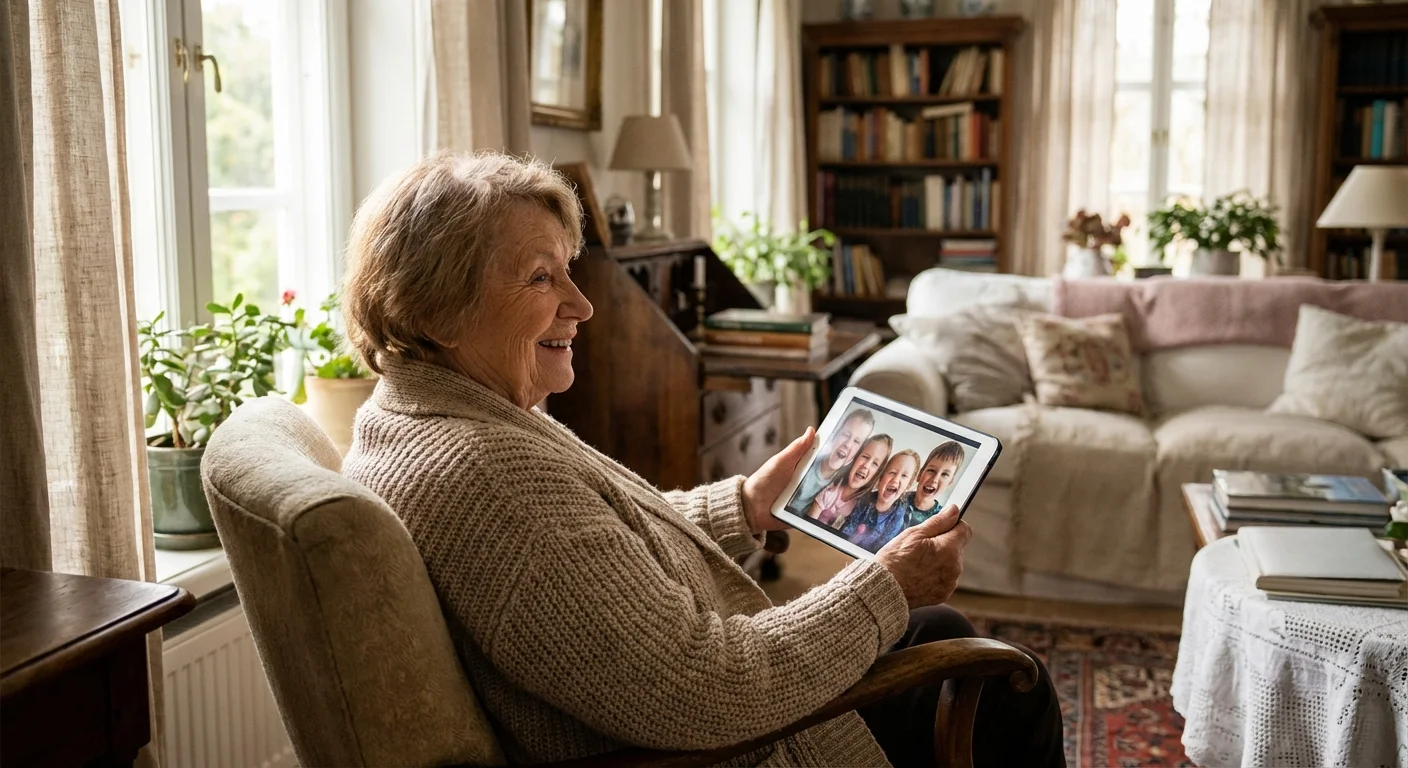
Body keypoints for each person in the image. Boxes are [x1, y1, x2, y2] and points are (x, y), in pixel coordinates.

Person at [340, 151, 1064, 767]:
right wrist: (886, 585)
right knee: (1008, 681)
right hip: (725, 742)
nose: (582, 305)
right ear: (434, 308)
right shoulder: (489, 475)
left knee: (933, 631)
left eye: (568, 269)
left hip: (690, 705)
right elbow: (706, 691)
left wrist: (746, 505)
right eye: (539, 277)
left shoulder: (435, 415)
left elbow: (597, 550)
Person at [788, 408, 875, 510]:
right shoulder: (808, 462)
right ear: (835, 434)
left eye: (856, 441)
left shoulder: (843, 485)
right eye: (846, 434)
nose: (848, 444)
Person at [843, 450, 922, 553]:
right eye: (892, 472)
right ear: (881, 476)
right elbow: (847, 530)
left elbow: (881, 549)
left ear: (908, 485)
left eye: (904, 476)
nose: (895, 479)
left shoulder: (898, 516)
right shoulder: (864, 500)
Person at [807, 434, 893, 529]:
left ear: (877, 474)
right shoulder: (831, 490)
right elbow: (807, 525)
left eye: (875, 463)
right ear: (855, 457)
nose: (866, 465)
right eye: (865, 457)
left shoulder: (862, 507)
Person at [903, 441, 967, 529]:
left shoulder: (942, 518)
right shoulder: (898, 499)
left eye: (944, 474)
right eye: (931, 470)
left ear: (950, 482)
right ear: (920, 473)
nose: (934, 479)